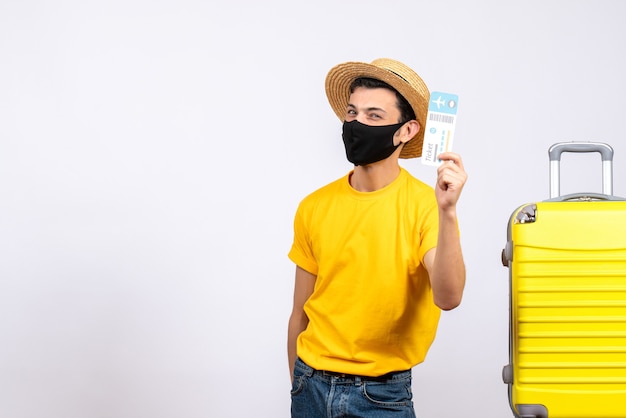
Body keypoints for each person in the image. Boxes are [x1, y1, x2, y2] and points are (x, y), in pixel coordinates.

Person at [287, 58, 467, 417]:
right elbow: (299, 312)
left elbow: (448, 297)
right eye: (352, 113)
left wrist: (447, 211)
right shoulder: (314, 205)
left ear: (406, 130)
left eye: (373, 116)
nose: (356, 124)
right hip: (311, 386)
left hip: (381, 396)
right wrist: (297, 384)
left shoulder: (426, 206)